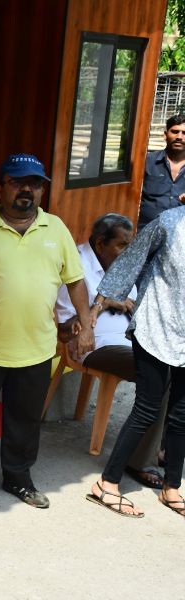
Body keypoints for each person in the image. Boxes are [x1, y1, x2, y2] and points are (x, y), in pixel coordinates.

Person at [0, 153, 94, 509]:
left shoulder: (56, 229)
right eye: (17, 182)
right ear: (0, 189)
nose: (27, 190)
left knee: (25, 420)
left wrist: (86, 326)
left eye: (35, 184)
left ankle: (18, 477)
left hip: (36, 347)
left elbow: (76, 281)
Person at [87, 205, 185, 518]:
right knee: (147, 408)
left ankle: (171, 488)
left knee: (182, 414)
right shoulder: (168, 223)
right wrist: (97, 305)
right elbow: (130, 261)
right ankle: (107, 484)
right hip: (155, 325)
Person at [55, 214, 166, 489]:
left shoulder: (123, 266)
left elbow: (136, 306)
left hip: (130, 340)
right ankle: (141, 461)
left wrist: (127, 304)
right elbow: (66, 329)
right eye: (122, 245)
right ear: (100, 243)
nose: (128, 251)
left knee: (173, 366)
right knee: (161, 372)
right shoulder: (78, 265)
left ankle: (160, 448)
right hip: (98, 345)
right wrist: (104, 303)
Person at [138, 113, 185, 230]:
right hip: (145, 229)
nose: (179, 137)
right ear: (165, 135)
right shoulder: (146, 162)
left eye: (184, 133)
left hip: (180, 232)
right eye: (175, 132)